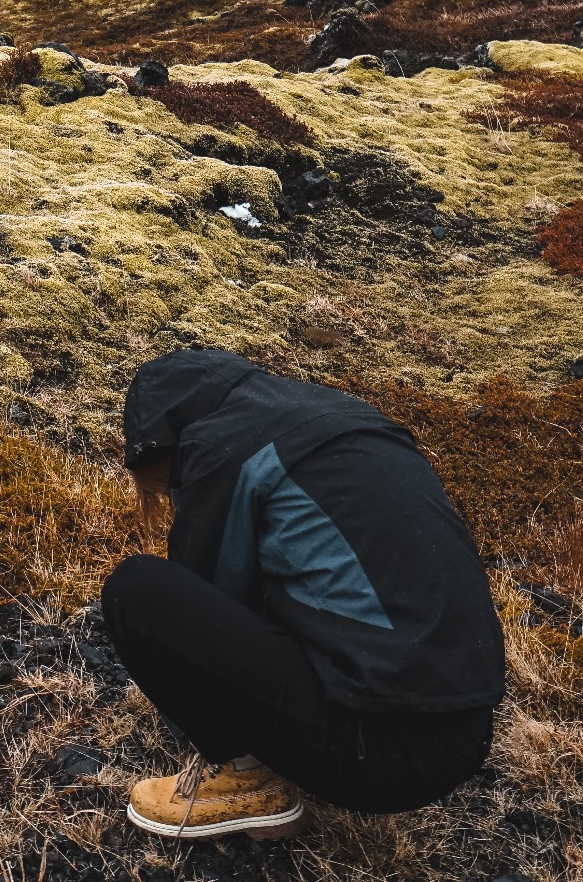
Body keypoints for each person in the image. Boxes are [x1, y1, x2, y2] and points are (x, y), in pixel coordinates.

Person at [102, 349, 504, 841]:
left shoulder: (221, 448)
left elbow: (205, 609)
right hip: (466, 729)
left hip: (381, 755)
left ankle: (246, 779)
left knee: (137, 593)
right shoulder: (334, 412)